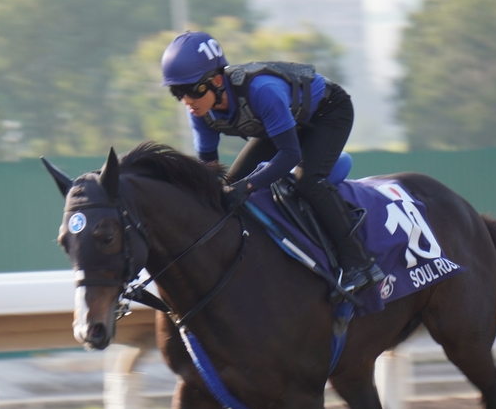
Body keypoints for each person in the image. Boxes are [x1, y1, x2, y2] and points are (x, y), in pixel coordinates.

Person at [160, 31, 385, 296]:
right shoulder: (200, 113)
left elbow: (289, 154)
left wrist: (250, 185)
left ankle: (360, 264)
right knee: (229, 188)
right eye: (178, 93)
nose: (187, 101)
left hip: (328, 113)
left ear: (217, 80)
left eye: (191, 90)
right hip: (284, 123)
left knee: (308, 181)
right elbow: (209, 170)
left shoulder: (261, 91)